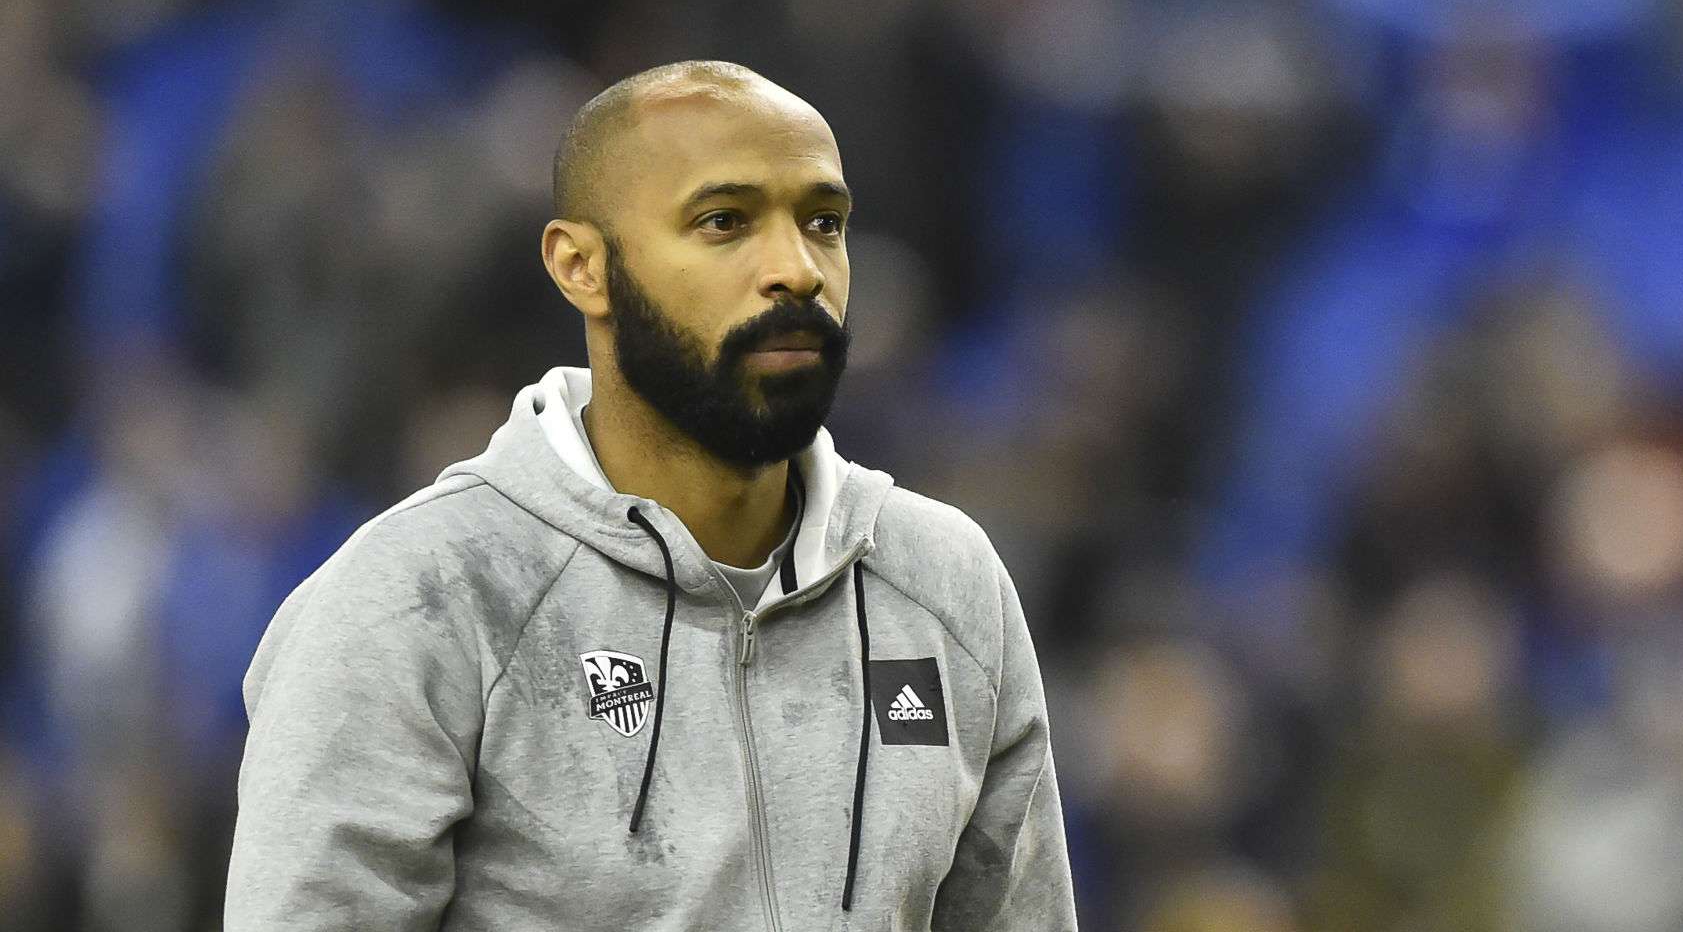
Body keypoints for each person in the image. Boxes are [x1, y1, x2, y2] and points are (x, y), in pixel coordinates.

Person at [223, 61, 1077, 930]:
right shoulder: (418, 598)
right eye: (724, 222)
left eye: (823, 222)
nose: (797, 269)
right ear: (581, 267)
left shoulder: (944, 584)